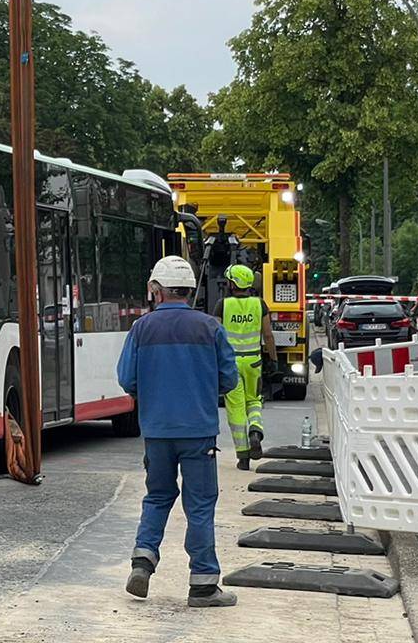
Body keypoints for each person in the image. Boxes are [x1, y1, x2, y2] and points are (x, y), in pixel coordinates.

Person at [117, 255, 240, 608]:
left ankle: (142, 562)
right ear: (188, 290)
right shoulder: (210, 327)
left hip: (157, 432)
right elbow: (229, 379)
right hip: (198, 432)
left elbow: (126, 378)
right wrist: (201, 388)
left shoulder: (141, 328)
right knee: (199, 504)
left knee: (157, 496)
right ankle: (203, 585)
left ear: (156, 290)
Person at [213, 264, 276, 470]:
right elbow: (268, 335)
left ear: (233, 284)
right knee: (254, 400)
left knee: (236, 408)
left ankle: (243, 456)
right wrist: (273, 360)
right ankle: (255, 430)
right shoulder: (260, 304)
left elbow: (215, 335)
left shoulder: (222, 305)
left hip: (230, 364)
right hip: (253, 362)